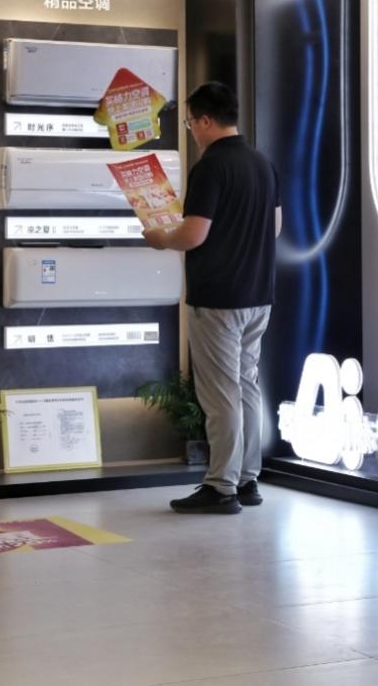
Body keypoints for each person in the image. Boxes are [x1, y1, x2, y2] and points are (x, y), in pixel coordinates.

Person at [143, 82, 280, 515]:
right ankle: (247, 479)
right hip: (259, 294)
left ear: (204, 120)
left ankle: (221, 487)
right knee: (246, 385)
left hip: (218, 297)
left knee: (220, 394)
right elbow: (275, 227)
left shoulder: (211, 167)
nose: (191, 130)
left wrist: (159, 238)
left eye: (189, 122)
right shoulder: (262, 164)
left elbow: (193, 234)